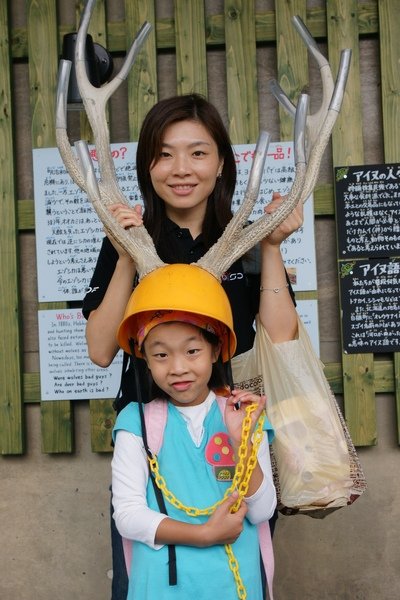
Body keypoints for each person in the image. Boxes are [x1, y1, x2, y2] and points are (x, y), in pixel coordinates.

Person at [81, 93, 302, 599]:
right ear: (146, 166)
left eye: (198, 153)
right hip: (153, 440)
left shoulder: (244, 238)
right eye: (163, 154)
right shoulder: (134, 238)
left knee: (237, 572)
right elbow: (99, 349)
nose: (180, 169)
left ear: (222, 162)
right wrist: (123, 254)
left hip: (234, 431)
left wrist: (270, 246)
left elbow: (281, 334)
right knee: (151, 574)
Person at [111, 262, 278, 599]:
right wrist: (203, 534)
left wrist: (241, 440)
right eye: (160, 354)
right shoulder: (136, 422)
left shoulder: (245, 415)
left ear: (216, 350)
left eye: (192, 351)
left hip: (234, 585)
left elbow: (262, 510)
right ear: (144, 358)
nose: (178, 367)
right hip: (161, 587)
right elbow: (127, 515)